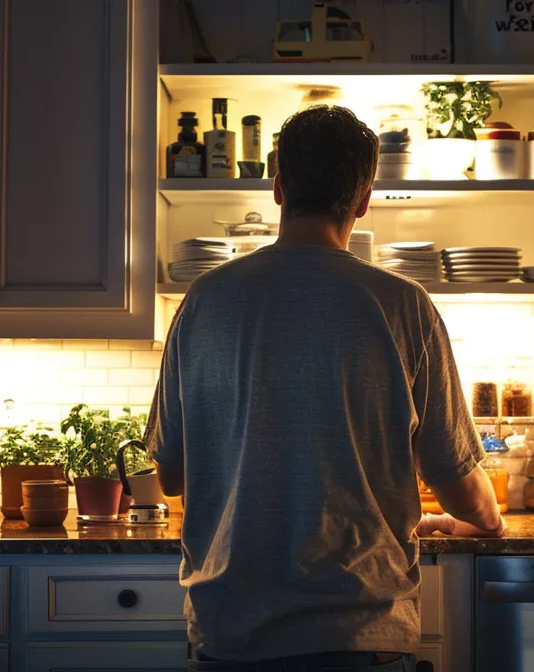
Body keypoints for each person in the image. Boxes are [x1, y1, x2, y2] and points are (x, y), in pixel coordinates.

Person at [144, 105, 507, 672]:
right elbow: (457, 483)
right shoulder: (403, 306)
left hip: (231, 633)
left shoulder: (204, 302)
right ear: (364, 201)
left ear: (278, 186)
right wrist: (485, 517)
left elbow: (170, 475)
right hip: (361, 635)